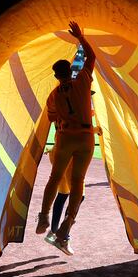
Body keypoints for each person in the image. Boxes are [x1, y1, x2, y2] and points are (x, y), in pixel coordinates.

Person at [35, 20, 97, 256]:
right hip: (85, 137)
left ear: (55, 75)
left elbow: (52, 118)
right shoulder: (82, 80)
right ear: (69, 71)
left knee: (55, 177)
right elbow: (91, 57)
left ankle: (43, 217)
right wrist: (80, 37)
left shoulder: (53, 95)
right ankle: (66, 227)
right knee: (78, 184)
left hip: (65, 138)